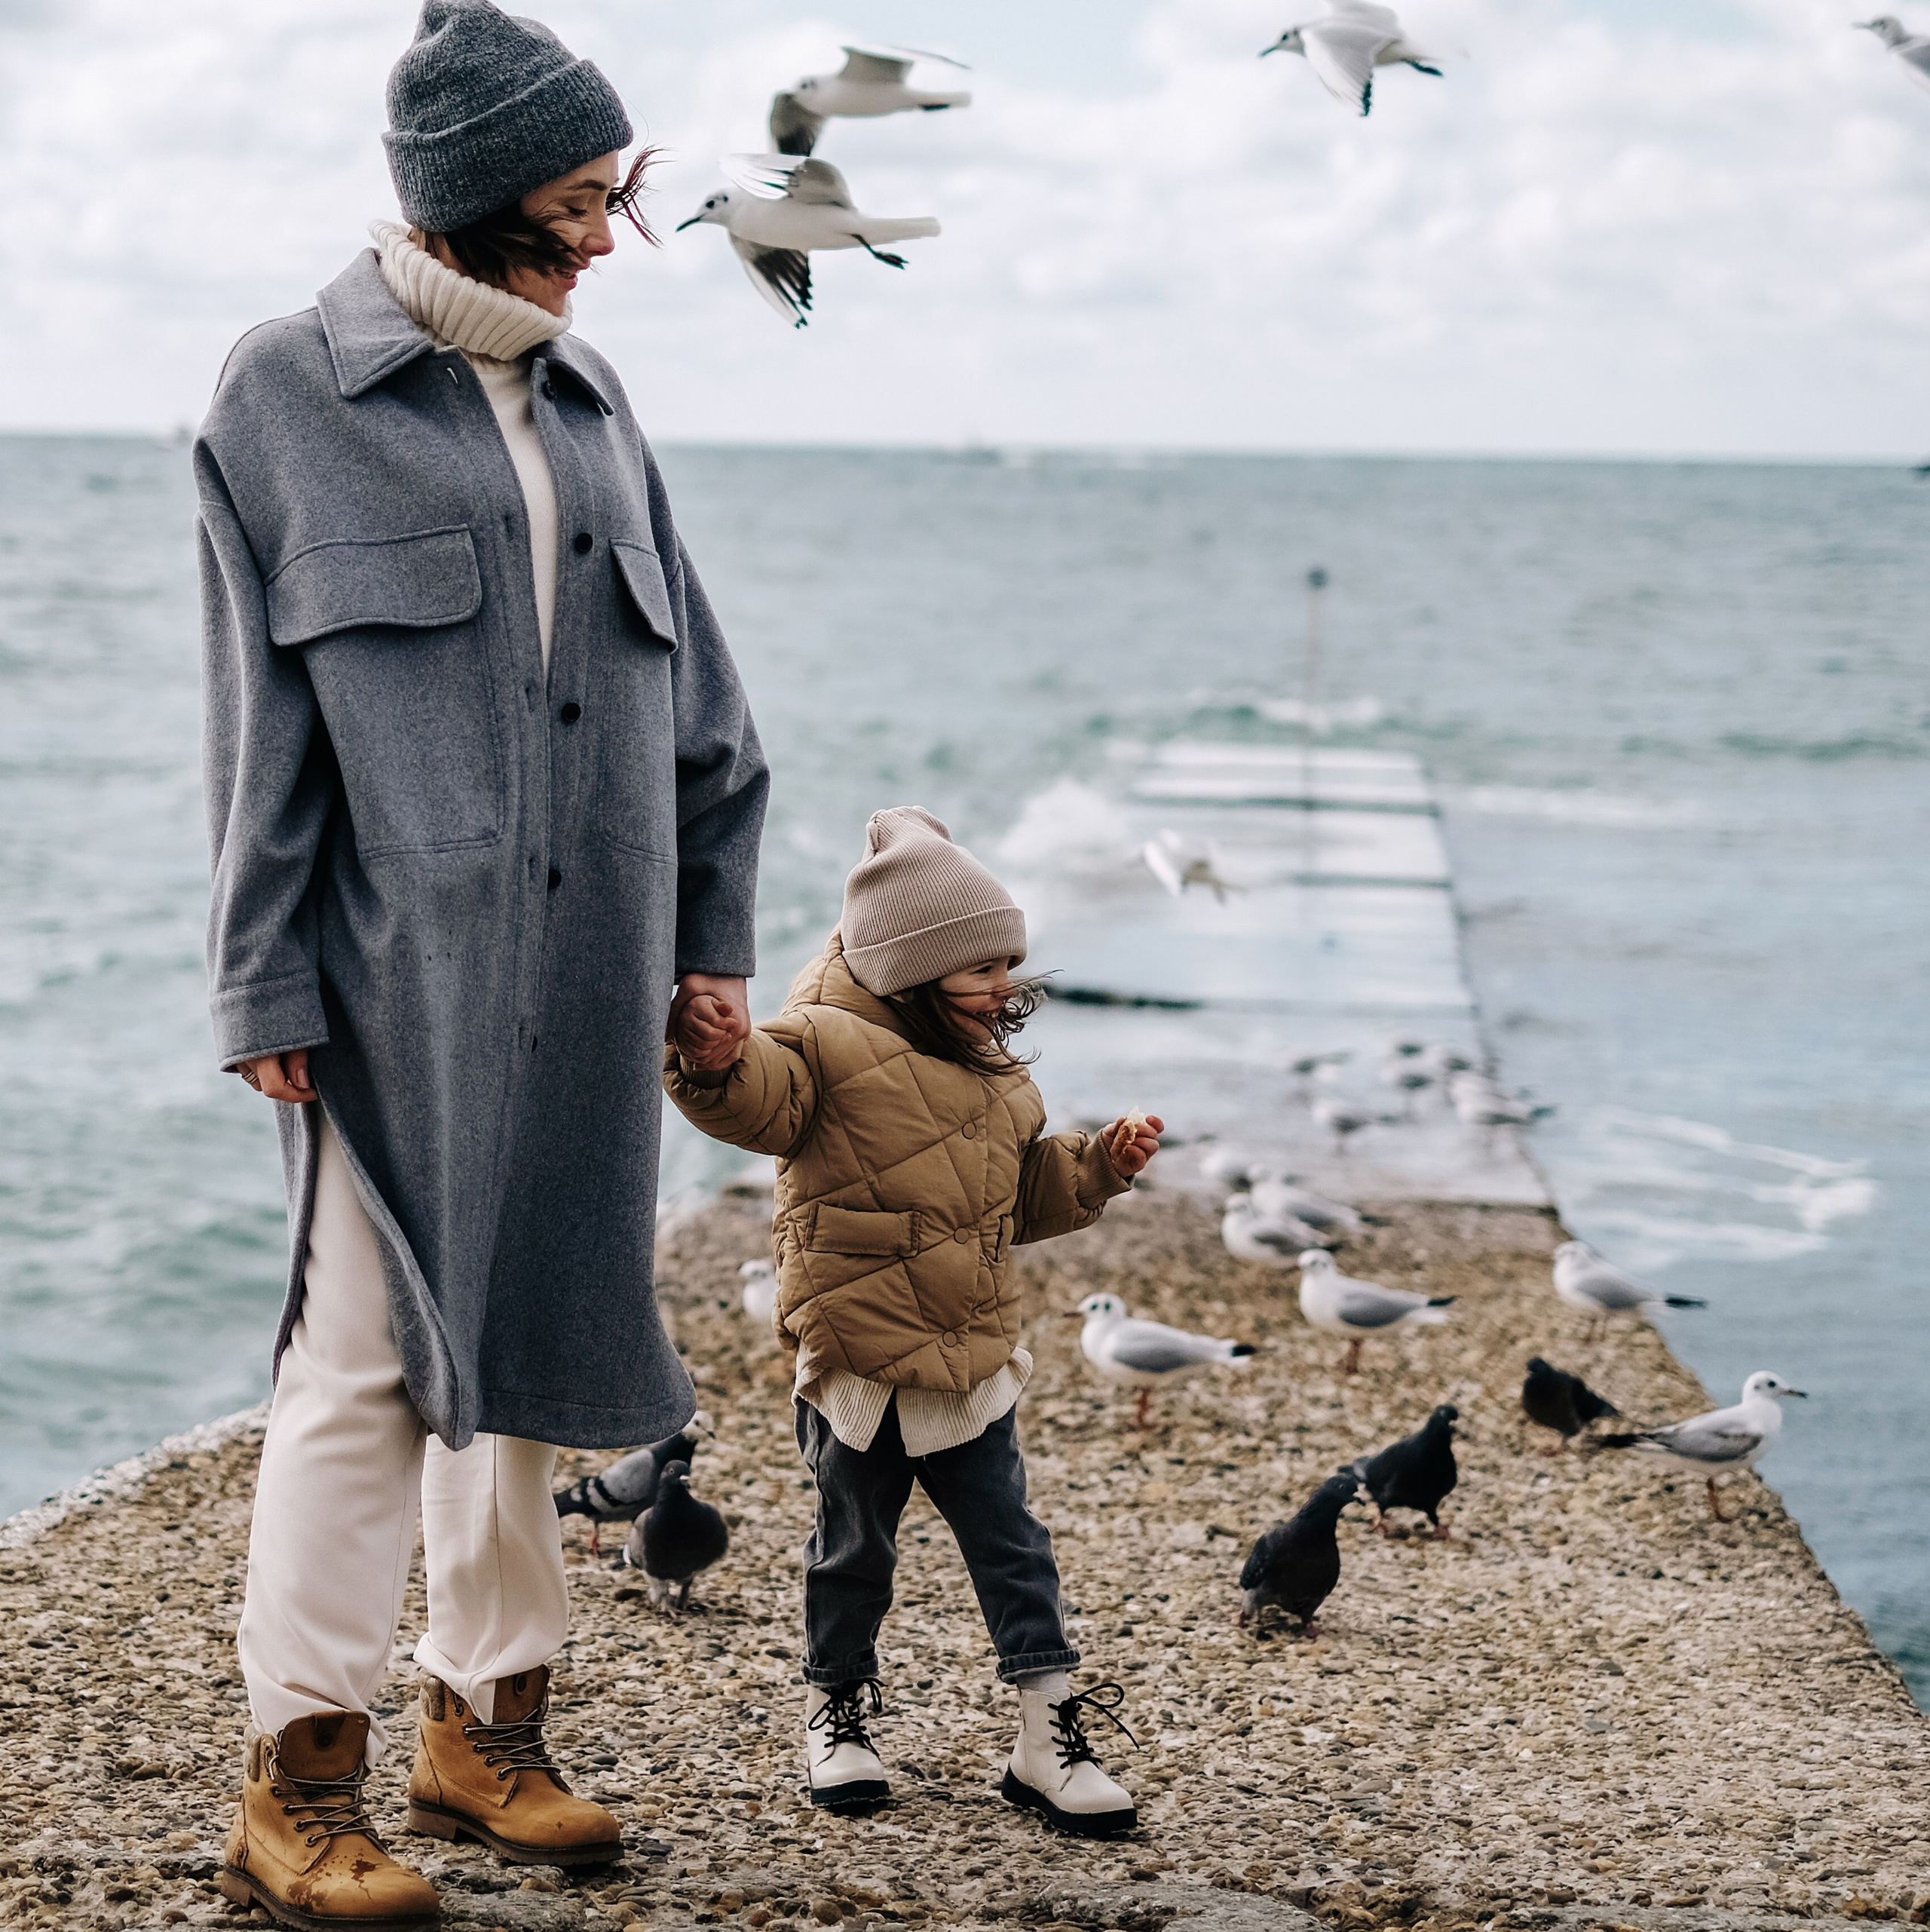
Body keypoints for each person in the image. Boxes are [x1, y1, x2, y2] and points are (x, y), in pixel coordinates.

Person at [195, 4, 767, 1925]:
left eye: (615, 200)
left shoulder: (595, 409)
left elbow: (701, 704)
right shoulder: (281, 396)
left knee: (528, 1355)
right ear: (457, 197)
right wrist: (258, 977)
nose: (603, 241)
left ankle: (481, 1727)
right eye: (573, 204)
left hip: (596, 971)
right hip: (386, 988)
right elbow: (255, 734)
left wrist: (709, 941)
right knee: (360, 1363)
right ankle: (298, 1779)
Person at [665, 807, 1160, 1838]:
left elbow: (1015, 1201)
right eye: (981, 968)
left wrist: (1098, 1167)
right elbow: (757, 1098)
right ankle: (837, 1714)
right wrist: (713, 1057)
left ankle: (1046, 1735)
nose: (1003, 988)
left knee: (1014, 1548)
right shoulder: (819, 1043)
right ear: (912, 967)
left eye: (1010, 964)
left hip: (972, 1355)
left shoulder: (998, 1077)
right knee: (855, 1550)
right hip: (856, 1358)